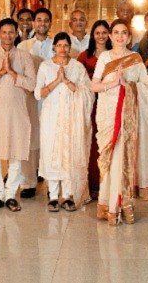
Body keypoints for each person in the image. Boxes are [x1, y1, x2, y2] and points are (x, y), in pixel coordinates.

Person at [91, 19, 148, 225]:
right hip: (108, 114)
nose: (119, 36)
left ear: (129, 36)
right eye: (116, 32)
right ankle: (108, 205)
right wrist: (114, 84)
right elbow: (94, 86)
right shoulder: (104, 57)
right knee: (110, 160)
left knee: (123, 158)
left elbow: (147, 88)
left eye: (123, 32)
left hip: (128, 116)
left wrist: (129, 86)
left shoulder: (135, 59)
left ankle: (123, 205)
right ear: (110, 36)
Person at [0, 18, 36, 212]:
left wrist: (12, 73)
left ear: (16, 33)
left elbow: (32, 85)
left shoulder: (25, 56)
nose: (8, 36)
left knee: (16, 155)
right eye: (4, 32)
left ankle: (10, 195)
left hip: (17, 113)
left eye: (11, 32)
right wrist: (0, 72)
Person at [36, 32, 95, 212]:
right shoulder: (45, 66)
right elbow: (38, 93)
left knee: (69, 153)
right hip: (51, 117)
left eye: (66, 45)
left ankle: (68, 195)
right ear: (54, 47)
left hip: (72, 118)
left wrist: (67, 81)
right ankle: (53, 196)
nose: (62, 49)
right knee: (51, 153)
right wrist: (57, 80)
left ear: (70, 48)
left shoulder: (77, 67)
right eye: (59, 45)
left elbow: (89, 92)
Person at [17, 6, 54, 198]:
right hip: (29, 98)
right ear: (33, 23)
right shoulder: (23, 46)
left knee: (50, 140)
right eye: (38, 20)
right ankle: (28, 182)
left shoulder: (57, 44)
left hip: (51, 99)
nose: (42, 23)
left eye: (46, 20)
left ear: (50, 24)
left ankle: (52, 184)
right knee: (30, 139)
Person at [78, 20, 112, 200]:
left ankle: (109, 186)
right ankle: (93, 184)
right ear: (93, 35)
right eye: (97, 33)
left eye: (104, 32)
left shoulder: (114, 54)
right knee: (93, 143)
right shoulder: (85, 56)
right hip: (91, 103)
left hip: (110, 102)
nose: (101, 36)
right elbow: (77, 78)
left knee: (109, 142)